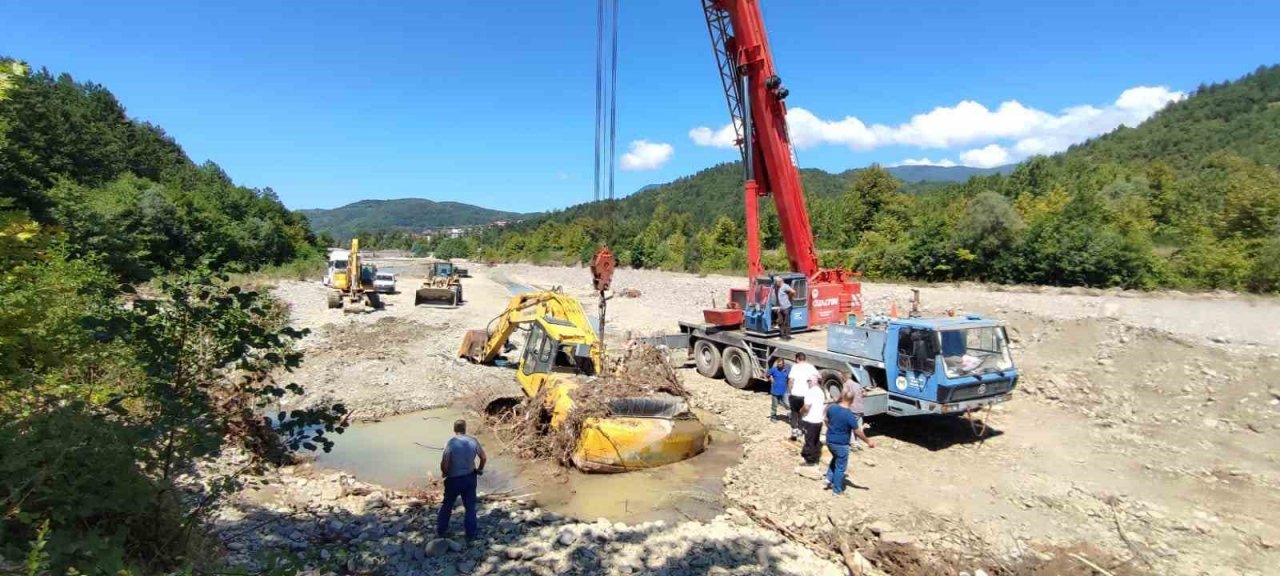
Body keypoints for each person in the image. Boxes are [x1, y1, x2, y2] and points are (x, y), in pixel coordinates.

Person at [437, 419, 487, 541]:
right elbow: (484, 457)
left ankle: (442, 530)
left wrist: (444, 472)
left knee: (447, 505)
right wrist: (480, 470)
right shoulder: (473, 441)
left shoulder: (450, 443)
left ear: (454, 430)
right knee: (470, 507)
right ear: (465, 429)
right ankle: (471, 534)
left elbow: (445, 463)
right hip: (470, 477)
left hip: (454, 479)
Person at [825, 380, 875, 494]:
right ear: (852, 401)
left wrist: (830, 428)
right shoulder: (849, 415)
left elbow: (826, 419)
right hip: (841, 444)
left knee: (835, 458)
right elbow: (857, 432)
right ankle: (837, 490)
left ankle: (828, 479)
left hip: (829, 441)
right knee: (841, 467)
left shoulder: (832, 408)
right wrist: (868, 441)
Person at [786, 352, 819, 441]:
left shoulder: (795, 367)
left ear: (797, 359)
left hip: (795, 394)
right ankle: (800, 430)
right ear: (805, 359)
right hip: (805, 395)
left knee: (794, 412)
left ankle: (794, 431)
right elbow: (819, 376)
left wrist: (790, 391)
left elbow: (791, 381)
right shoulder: (810, 367)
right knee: (802, 413)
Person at [799, 374, 827, 465]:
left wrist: (801, 411)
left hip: (811, 420)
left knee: (809, 441)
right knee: (815, 440)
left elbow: (807, 407)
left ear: (812, 381)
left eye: (808, 381)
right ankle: (814, 458)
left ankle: (809, 461)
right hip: (818, 420)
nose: (807, 383)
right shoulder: (820, 391)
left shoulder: (810, 392)